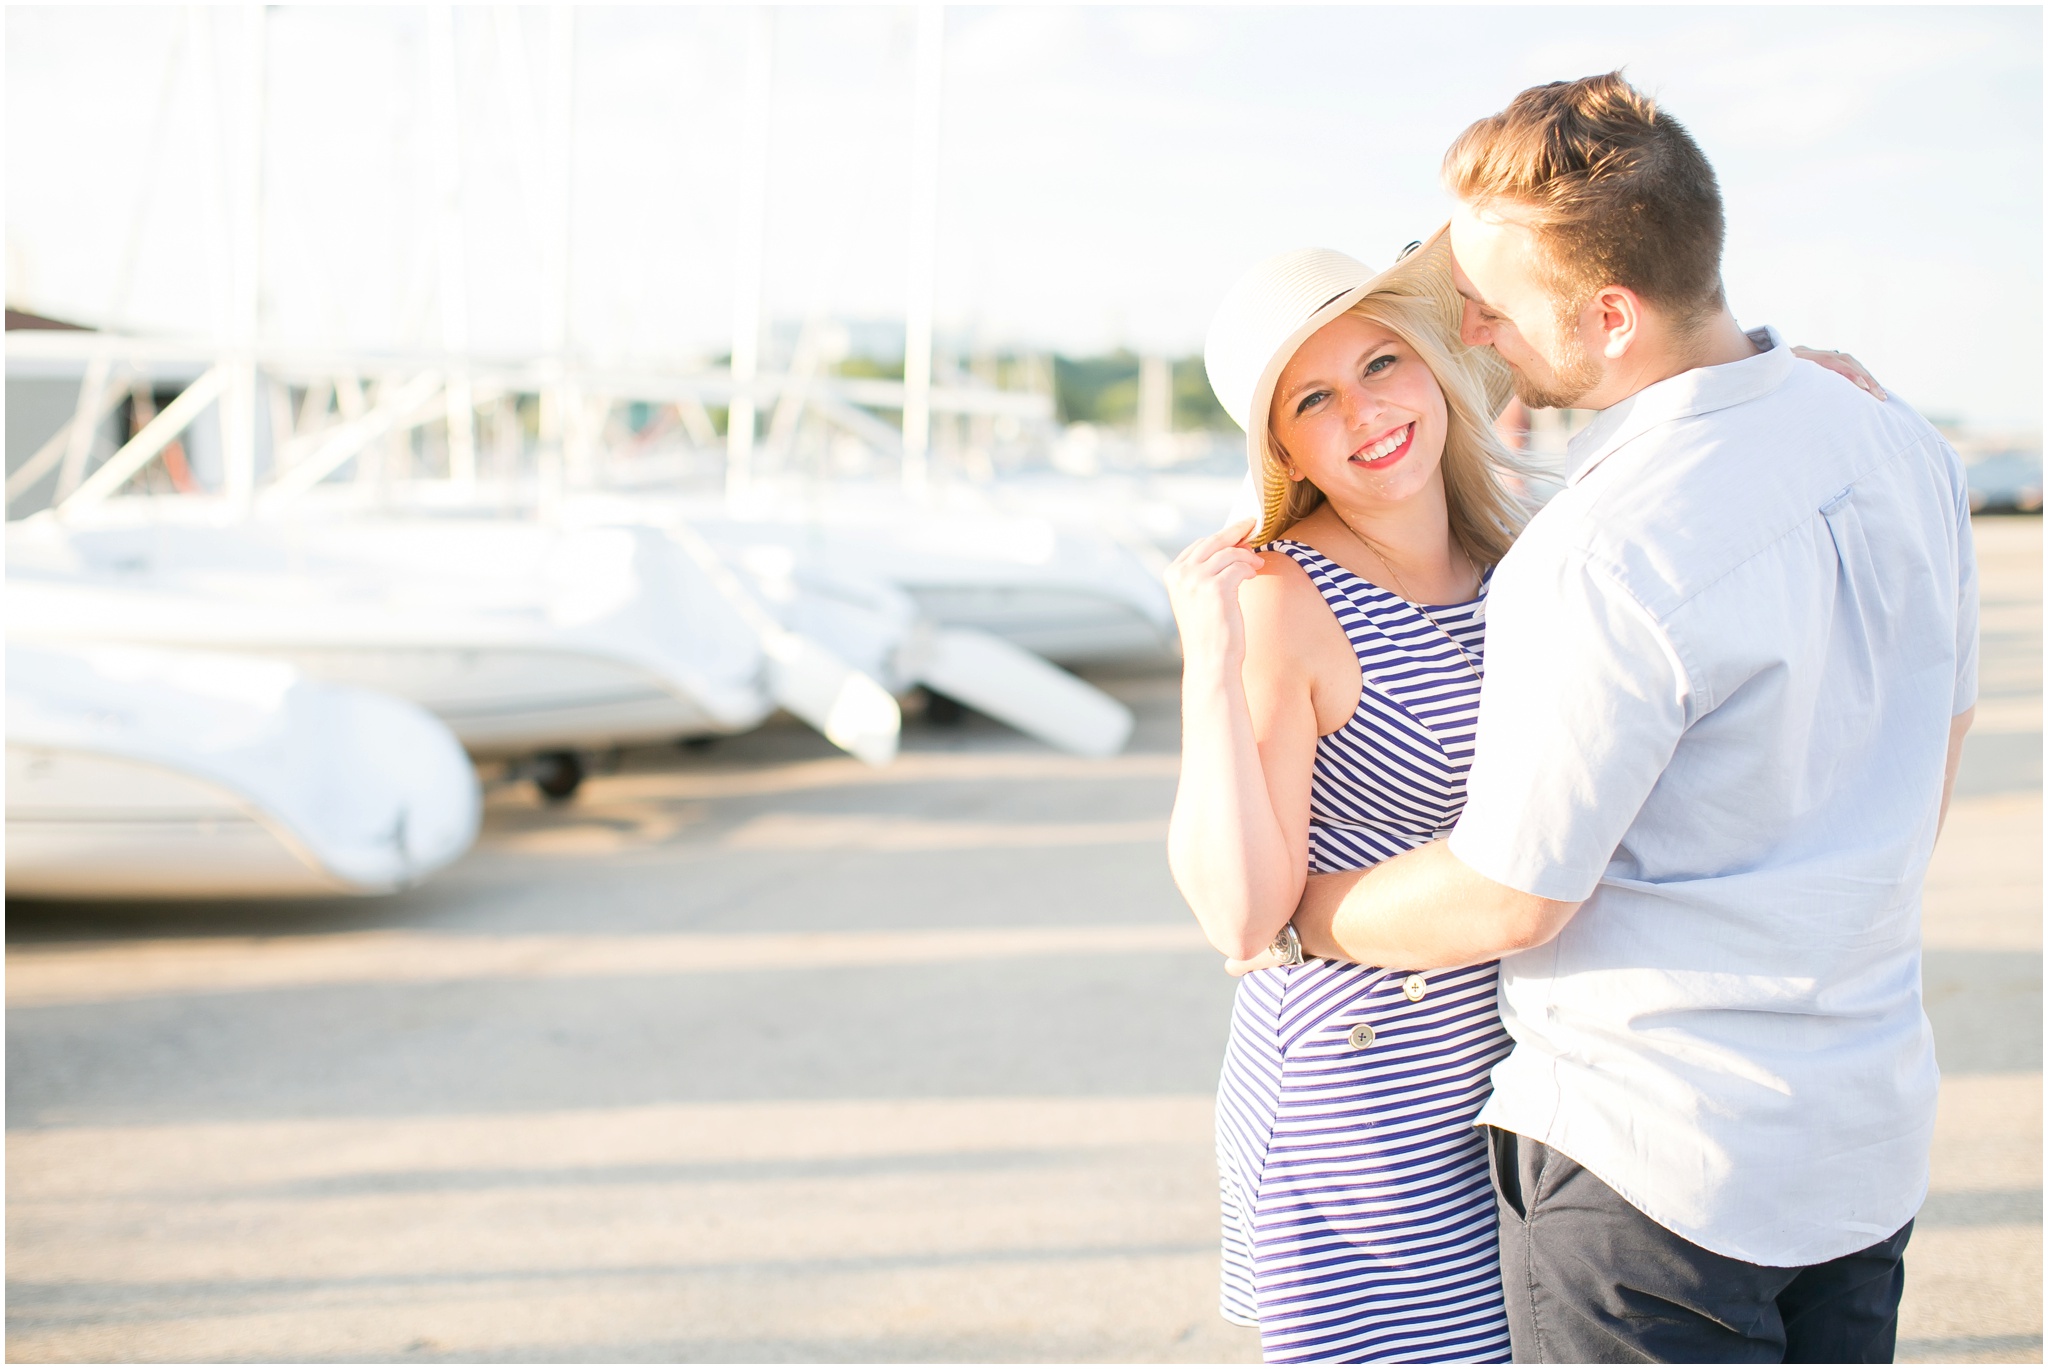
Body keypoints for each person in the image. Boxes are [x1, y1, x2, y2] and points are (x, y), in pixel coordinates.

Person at [1230, 72, 1978, 1363]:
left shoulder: (1598, 550)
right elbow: (1939, 756)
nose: (1468, 323)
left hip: (1654, 1181)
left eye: (1491, 302)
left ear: (1614, 317)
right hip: (1861, 1143)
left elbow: (1511, 892)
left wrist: (1299, 908)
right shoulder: (1903, 450)